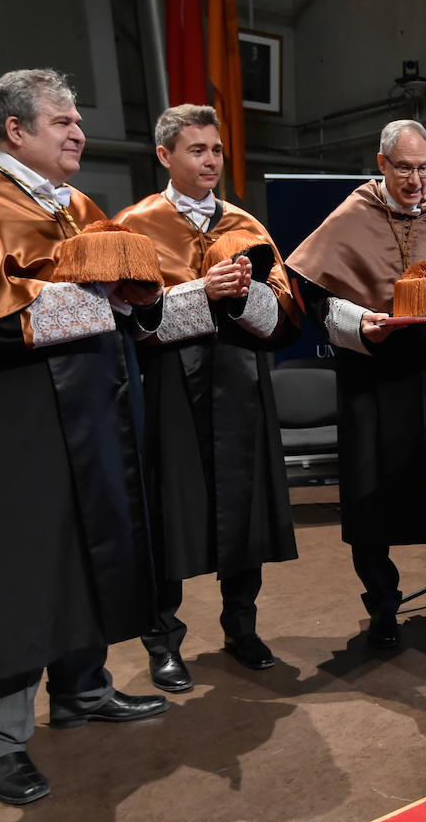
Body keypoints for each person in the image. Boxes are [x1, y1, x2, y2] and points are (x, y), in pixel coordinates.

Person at [0, 69, 168, 805]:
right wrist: (94, 301)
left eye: (78, 118)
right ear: (15, 130)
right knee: (17, 570)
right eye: (61, 120)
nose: (78, 130)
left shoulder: (80, 206)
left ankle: (83, 689)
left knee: (91, 548)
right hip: (14, 415)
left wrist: (139, 299)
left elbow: (118, 303)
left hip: (92, 408)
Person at [286, 119, 426, 650]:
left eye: (425, 168)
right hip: (372, 380)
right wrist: (360, 323)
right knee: (370, 495)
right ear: (382, 165)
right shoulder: (353, 214)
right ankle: (383, 605)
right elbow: (313, 293)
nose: (417, 180)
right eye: (405, 168)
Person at [111, 105, 300, 690]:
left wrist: (243, 301)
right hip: (170, 386)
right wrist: (202, 294)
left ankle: (241, 626)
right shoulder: (134, 227)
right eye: (197, 150)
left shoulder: (246, 225)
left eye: (216, 150)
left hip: (240, 380)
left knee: (244, 509)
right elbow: (126, 321)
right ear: (166, 156)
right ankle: (163, 641)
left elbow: (284, 317)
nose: (211, 161)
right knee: (170, 513)